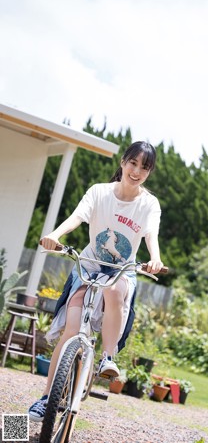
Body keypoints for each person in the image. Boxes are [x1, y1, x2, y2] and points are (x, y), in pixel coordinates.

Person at [28, 141, 163, 422]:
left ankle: (107, 358)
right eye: (133, 163)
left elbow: (151, 234)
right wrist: (55, 234)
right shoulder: (100, 192)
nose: (137, 171)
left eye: (145, 168)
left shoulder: (148, 203)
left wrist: (155, 258)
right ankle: (45, 398)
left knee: (114, 292)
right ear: (123, 162)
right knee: (71, 333)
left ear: (149, 173)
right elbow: (78, 216)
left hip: (121, 268)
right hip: (89, 264)